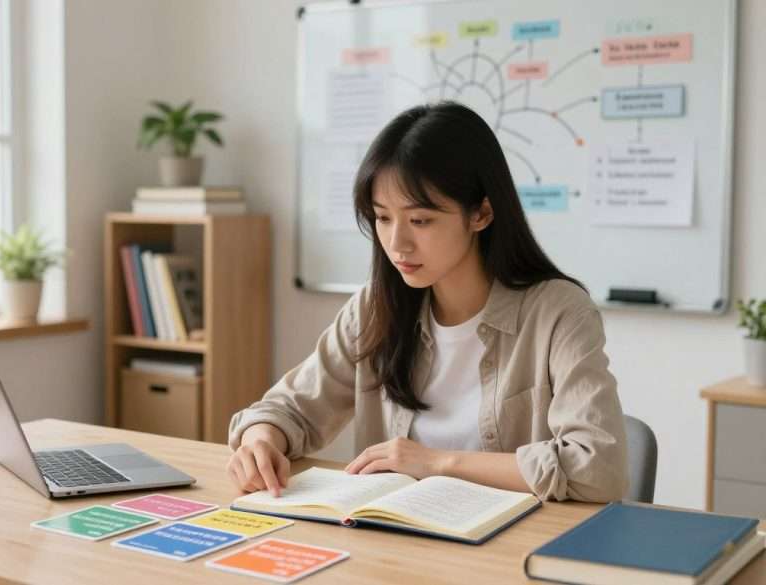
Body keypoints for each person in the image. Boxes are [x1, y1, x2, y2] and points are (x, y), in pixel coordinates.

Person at [226, 101, 628, 503]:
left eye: (419, 220)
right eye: (382, 218)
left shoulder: (559, 313)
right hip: (400, 547)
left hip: (510, 549)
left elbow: (598, 467)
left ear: (481, 214)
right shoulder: (374, 308)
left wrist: (437, 463)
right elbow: (290, 408)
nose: (396, 244)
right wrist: (261, 440)